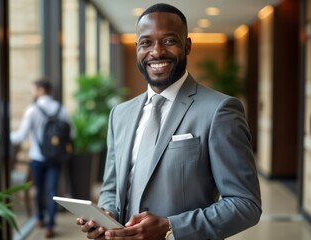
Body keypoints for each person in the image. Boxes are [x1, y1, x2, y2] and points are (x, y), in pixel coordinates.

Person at [77, 3, 261, 240]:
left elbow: (246, 204)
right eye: (146, 43)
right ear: (137, 49)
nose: (156, 52)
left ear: (187, 46)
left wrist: (170, 227)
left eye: (169, 41)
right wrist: (106, 215)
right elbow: (111, 188)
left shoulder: (220, 110)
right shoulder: (120, 114)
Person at [10, 79, 72, 238]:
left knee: (38, 190)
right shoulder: (61, 109)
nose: (32, 93)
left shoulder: (32, 110)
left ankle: (39, 218)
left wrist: (4, 135)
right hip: (56, 158)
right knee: (52, 191)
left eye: (33, 90)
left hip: (37, 157)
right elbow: (72, 134)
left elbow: (20, 136)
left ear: (40, 90)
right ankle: (50, 226)